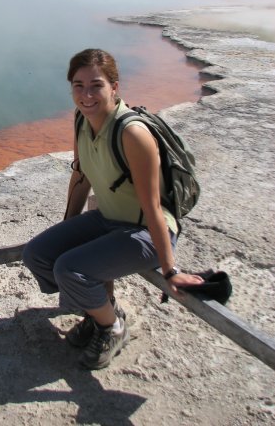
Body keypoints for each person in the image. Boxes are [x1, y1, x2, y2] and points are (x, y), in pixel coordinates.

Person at [22, 48, 203, 370]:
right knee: (38, 253)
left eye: (96, 85)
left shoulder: (132, 133)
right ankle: (99, 311)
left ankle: (111, 326)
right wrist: (66, 229)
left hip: (145, 230)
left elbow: (151, 206)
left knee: (70, 269)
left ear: (114, 87)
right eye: (78, 85)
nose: (87, 94)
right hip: (108, 218)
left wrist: (170, 270)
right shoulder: (82, 119)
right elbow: (81, 177)